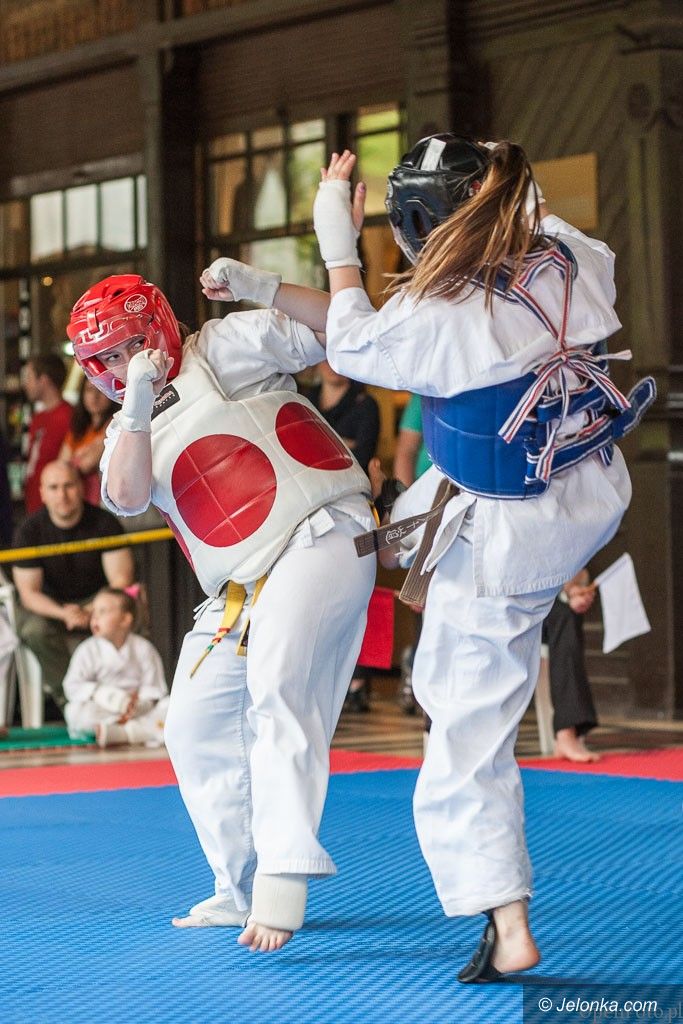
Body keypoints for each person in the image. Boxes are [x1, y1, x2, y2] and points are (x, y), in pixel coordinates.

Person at [214, 136, 654, 979]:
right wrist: (266, 286)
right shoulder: (570, 254)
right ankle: (435, 568)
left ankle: (504, 917)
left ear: (418, 226)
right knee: (446, 536)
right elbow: (500, 219)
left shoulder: (441, 315)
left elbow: (353, 339)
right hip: (584, 490)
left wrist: (337, 239)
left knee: (463, 730)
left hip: (507, 536)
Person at [66, 269, 375, 954]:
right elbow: (126, 494)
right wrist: (138, 407)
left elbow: (346, 328)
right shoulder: (122, 429)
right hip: (240, 585)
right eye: (105, 358)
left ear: (158, 326)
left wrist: (265, 286)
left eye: (129, 346)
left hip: (318, 534)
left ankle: (282, 878)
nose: (121, 365)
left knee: (278, 687)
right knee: (193, 723)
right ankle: (235, 885)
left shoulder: (223, 346)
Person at [12, 460, 135, 710]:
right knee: (33, 630)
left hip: (98, 602)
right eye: (54, 488)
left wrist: (92, 611)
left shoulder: (105, 524)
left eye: (68, 486)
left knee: (125, 616)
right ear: (42, 493)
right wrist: (64, 613)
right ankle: (72, 700)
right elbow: (29, 594)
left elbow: (121, 581)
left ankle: (125, 697)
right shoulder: (28, 531)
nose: (62, 495)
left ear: (81, 488)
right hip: (52, 609)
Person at [308, 361, 379, 711]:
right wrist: (339, 444)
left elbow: (358, 455)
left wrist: (317, 445)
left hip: (353, 506)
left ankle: (358, 678)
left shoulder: (366, 404)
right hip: (308, 506)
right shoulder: (303, 396)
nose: (332, 366)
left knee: (355, 593)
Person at [63, 587, 168, 748]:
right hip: (104, 709)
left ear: (125, 619)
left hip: (136, 711)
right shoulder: (87, 650)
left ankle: (123, 733)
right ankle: (131, 732)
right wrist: (101, 694)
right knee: (75, 712)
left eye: (103, 611)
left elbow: (154, 687)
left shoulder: (143, 648)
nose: (95, 617)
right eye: (94, 612)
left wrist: (141, 705)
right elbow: (72, 686)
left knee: (168, 706)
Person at [543, 568, 600, 762]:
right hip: (504, 605)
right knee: (563, 615)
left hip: (544, 610)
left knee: (567, 613)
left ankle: (569, 731)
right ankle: (566, 731)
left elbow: (582, 571)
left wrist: (573, 590)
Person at [22, 354, 73, 514]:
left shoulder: (70, 417)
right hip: (33, 504)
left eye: (29, 377)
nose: (25, 384)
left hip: (57, 508)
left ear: (43, 380)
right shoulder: (37, 418)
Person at [60, 377, 118, 506]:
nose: (94, 397)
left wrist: (76, 458)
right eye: (89, 390)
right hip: (79, 501)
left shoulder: (116, 423)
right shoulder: (78, 429)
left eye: (100, 390)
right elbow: (62, 466)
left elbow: (87, 464)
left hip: (106, 501)